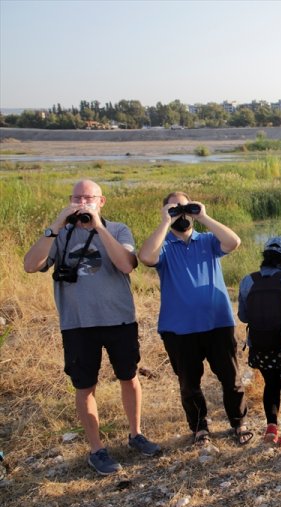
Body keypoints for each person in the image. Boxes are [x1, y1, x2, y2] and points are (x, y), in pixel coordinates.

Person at [23, 179, 160, 475]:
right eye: (77, 198)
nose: (82, 203)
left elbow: (126, 265)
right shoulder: (60, 235)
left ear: (102, 201)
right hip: (78, 323)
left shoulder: (118, 229)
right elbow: (31, 265)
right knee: (85, 386)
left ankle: (136, 434)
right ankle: (96, 449)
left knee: (129, 376)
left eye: (88, 198)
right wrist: (56, 225)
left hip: (119, 319)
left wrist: (99, 226)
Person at [138, 192, 248, 446]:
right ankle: (200, 428)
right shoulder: (163, 245)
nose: (182, 214)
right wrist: (165, 221)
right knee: (189, 383)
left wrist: (204, 216)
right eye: (175, 209)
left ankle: (238, 423)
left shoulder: (208, 241)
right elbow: (146, 257)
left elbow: (234, 242)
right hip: (179, 328)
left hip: (218, 323)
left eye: (185, 208)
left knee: (231, 379)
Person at [238, 236, 281, 445]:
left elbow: (243, 316)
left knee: (270, 384)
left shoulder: (249, 280)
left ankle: (271, 427)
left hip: (259, 346)